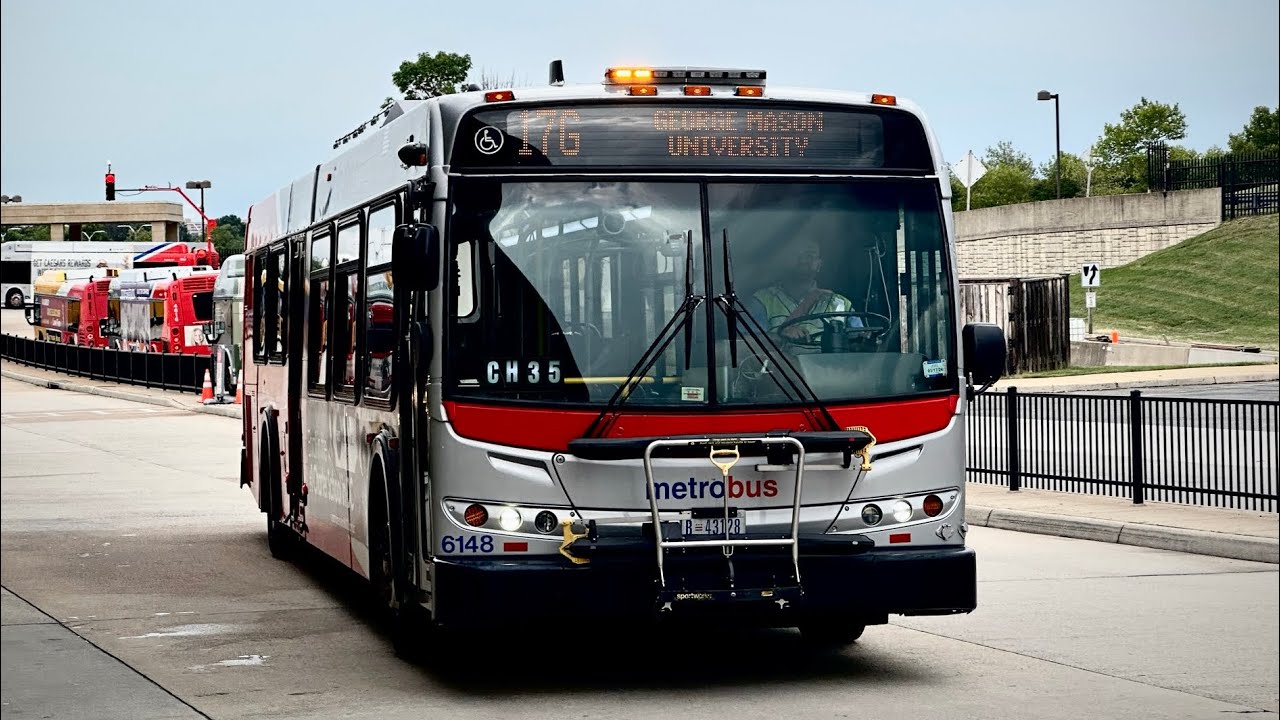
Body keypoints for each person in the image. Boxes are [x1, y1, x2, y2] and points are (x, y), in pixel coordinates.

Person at [746, 237, 860, 342]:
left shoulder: (840, 304)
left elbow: (864, 343)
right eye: (796, 254)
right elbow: (745, 344)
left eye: (810, 255)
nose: (803, 260)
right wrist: (780, 337)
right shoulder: (763, 300)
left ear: (819, 264)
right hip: (782, 364)